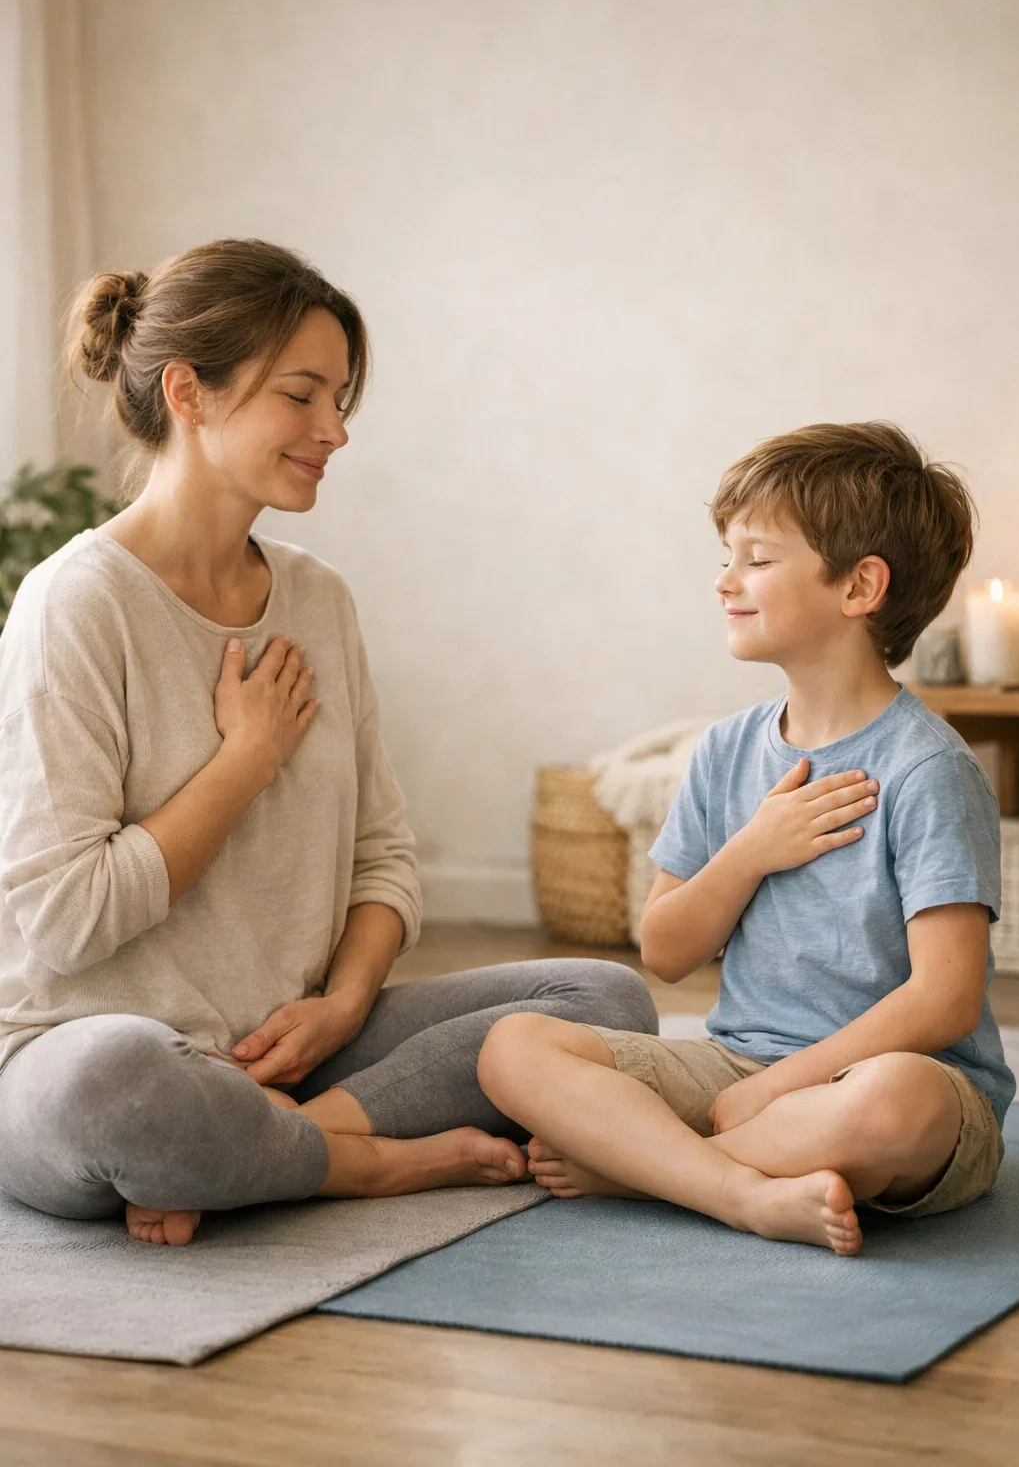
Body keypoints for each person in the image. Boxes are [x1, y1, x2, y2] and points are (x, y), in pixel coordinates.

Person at [0, 238, 656, 1247]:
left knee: (601, 1000)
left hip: (292, 1046)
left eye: (340, 398)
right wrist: (244, 762)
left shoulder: (317, 599)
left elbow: (382, 858)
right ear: (190, 392)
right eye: (301, 396)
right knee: (120, 1092)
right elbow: (61, 917)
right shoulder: (76, 604)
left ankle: (264, 1150)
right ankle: (360, 1163)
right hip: (83, 1054)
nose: (334, 430)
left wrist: (344, 1007)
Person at [478, 422, 1016, 1255]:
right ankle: (738, 1190)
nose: (727, 581)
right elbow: (662, 949)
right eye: (726, 557)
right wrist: (754, 849)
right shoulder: (728, 750)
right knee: (515, 1046)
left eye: (757, 560)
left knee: (894, 1103)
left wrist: (792, 1085)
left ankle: (648, 1170)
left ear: (860, 586)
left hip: (895, 1087)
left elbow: (943, 999)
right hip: (738, 1068)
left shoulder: (929, 769)